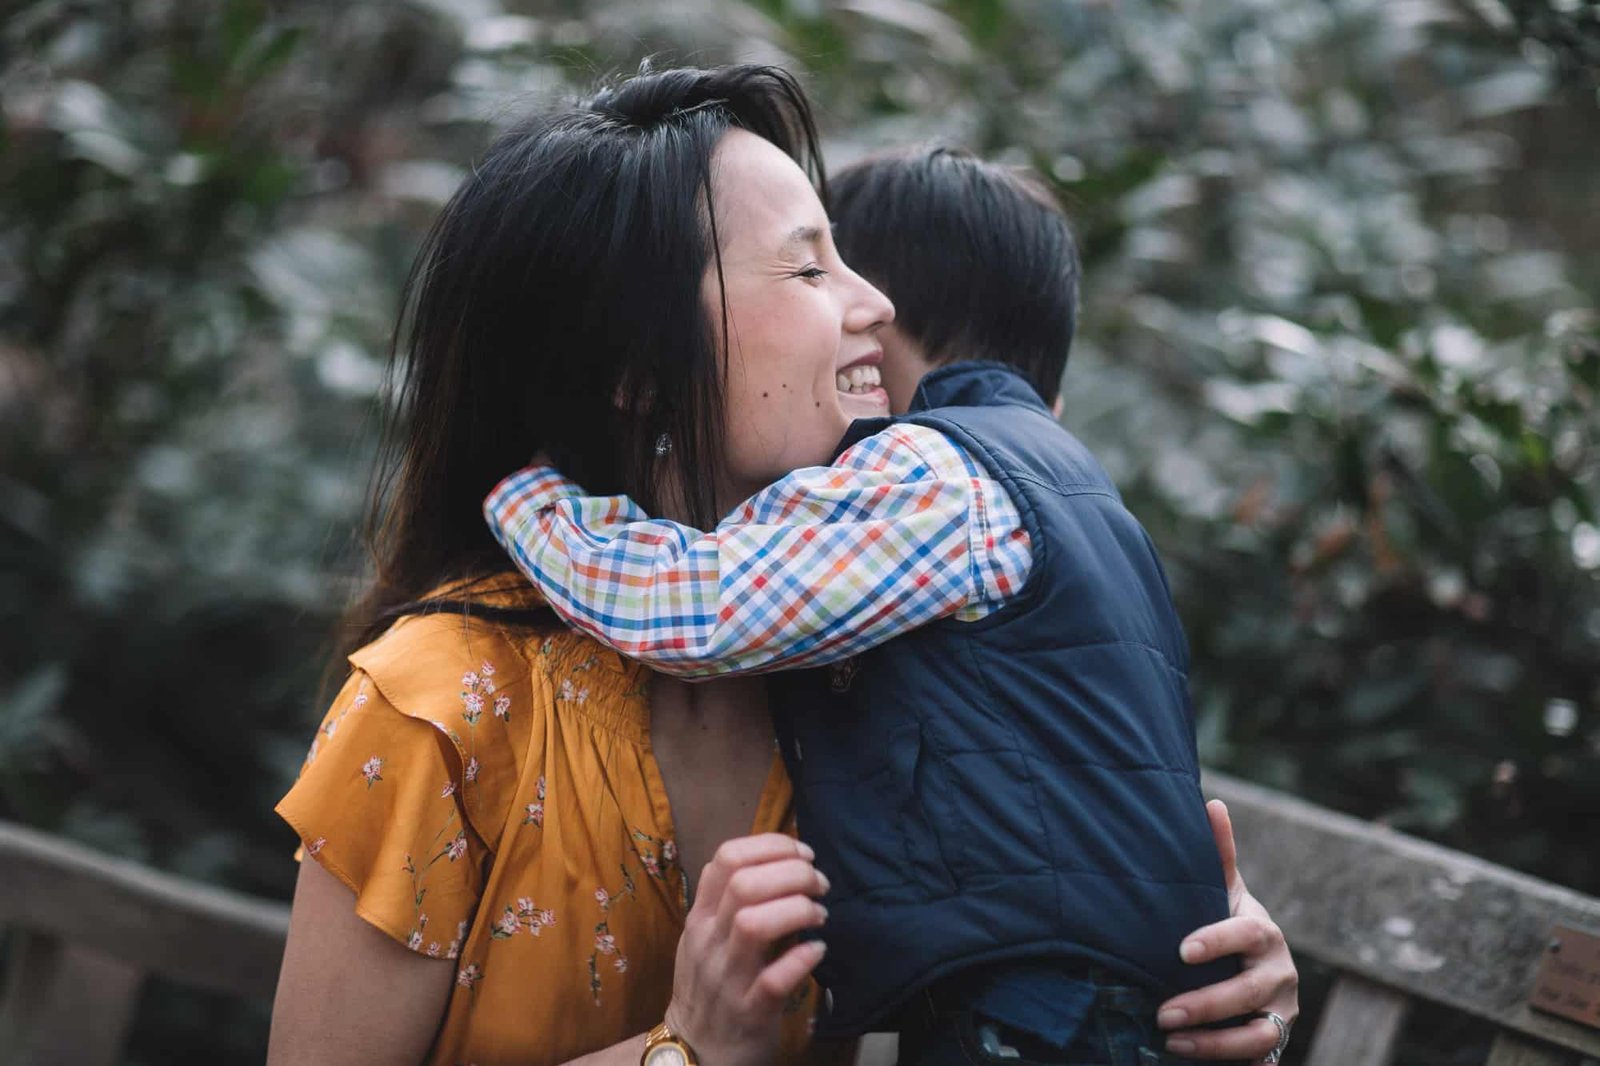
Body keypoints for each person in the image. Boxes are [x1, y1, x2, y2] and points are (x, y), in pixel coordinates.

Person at [268, 64, 1295, 1066]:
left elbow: (1049, 857)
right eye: (810, 266)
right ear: (631, 363)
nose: (875, 307)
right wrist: (689, 1048)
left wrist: (1202, 959)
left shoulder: (879, 680)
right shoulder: (440, 710)